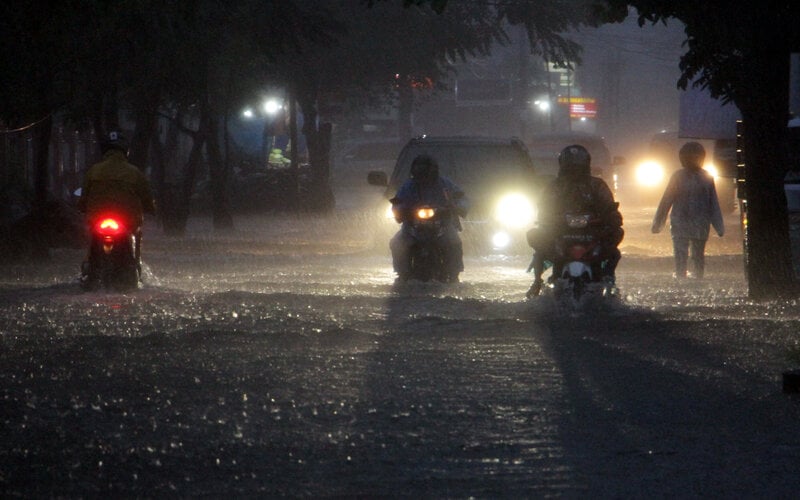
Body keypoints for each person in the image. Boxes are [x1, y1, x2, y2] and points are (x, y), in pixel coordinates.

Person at [526, 144, 624, 297]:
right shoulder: (554, 187)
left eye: (578, 165)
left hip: (592, 232)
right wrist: (548, 220)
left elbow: (610, 208)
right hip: (560, 232)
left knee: (615, 245)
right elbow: (543, 209)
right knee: (535, 237)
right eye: (570, 165)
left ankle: (608, 276)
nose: (574, 169)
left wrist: (611, 218)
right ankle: (537, 281)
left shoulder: (597, 185)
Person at [78, 131, 156, 285]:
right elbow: (147, 198)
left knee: (92, 235)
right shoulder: (134, 173)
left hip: (98, 221)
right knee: (138, 234)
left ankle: (87, 268)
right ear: (125, 151)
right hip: (127, 222)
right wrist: (151, 208)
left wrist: (82, 207)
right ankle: (136, 267)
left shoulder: (93, 171)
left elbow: (83, 199)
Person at [390, 154, 469, 283]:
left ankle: (454, 273)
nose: (421, 173)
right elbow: (397, 202)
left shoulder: (445, 184)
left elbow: (461, 198)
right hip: (412, 227)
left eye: (424, 169)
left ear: (433, 169)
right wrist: (400, 211)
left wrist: (457, 207)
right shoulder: (408, 186)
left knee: (453, 242)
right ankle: (402, 273)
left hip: (442, 226)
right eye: (418, 168)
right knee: (397, 243)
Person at [651, 141, 724, 279]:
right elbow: (666, 201)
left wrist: (719, 226)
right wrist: (657, 224)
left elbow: (713, 203)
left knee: (697, 254)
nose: (692, 160)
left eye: (695, 157)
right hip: (682, 222)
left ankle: (697, 278)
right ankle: (682, 277)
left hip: (698, 223)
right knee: (681, 254)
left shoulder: (706, 177)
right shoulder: (678, 177)